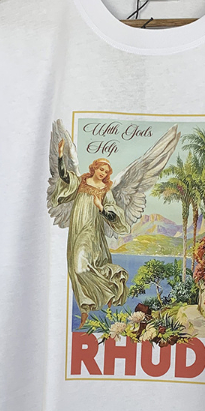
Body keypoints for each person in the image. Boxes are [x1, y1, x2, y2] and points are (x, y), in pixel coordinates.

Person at [51, 138, 130, 329]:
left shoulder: (105, 190)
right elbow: (64, 177)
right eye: (101, 169)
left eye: (106, 171)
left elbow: (113, 214)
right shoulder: (81, 181)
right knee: (74, 268)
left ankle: (111, 287)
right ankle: (85, 308)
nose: (103, 173)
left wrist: (101, 208)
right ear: (94, 168)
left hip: (91, 232)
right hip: (76, 229)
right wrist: (60, 156)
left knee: (81, 267)